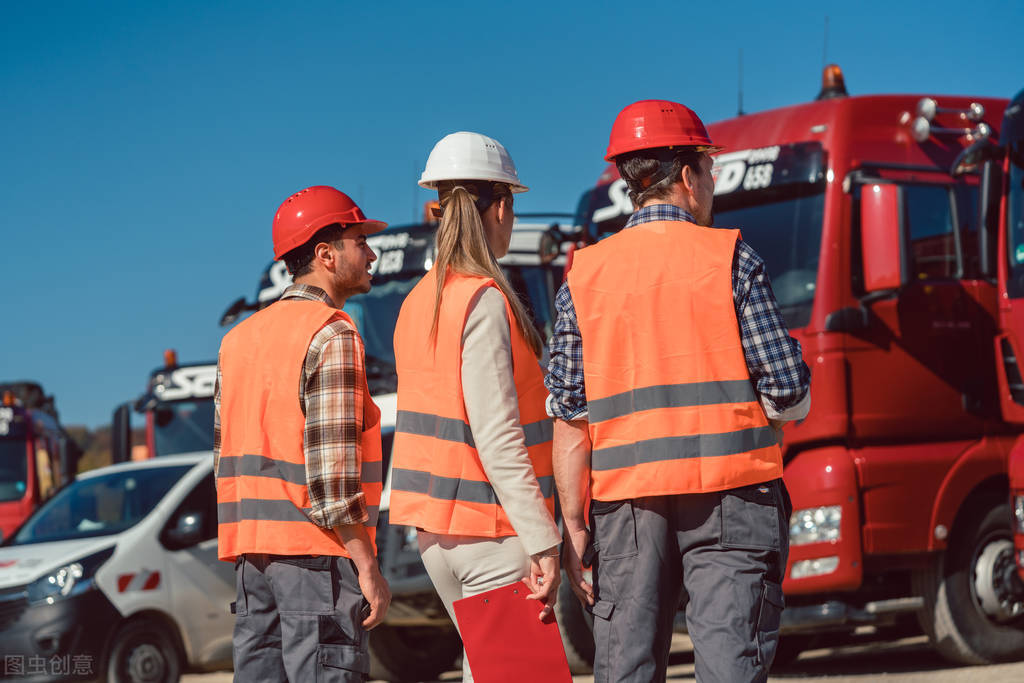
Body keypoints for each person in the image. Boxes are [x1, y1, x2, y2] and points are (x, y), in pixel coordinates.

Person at [548, 101, 811, 683]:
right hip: (734, 494)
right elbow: (788, 388)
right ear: (689, 177)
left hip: (626, 507)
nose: (711, 184)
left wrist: (573, 526)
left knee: (628, 667)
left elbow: (570, 417)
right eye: (710, 171)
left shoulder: (583, 275)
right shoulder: (730, 257)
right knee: (729, 664)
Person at [389, 132, 562, 681]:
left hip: (436, 535)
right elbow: (498, 434)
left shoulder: (418, 302)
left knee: (488, 672)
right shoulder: (482, 299)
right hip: (494, 534)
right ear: (503, 206)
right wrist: (543, 538)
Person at [215, 185, 392, 682]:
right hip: (317, 560)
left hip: (251, 561)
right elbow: (332, 479)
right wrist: (367, 565)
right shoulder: (331, 333)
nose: (372, 252)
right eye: (360, 240)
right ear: (325, 254)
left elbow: (222, 459)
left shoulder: (237, 341)